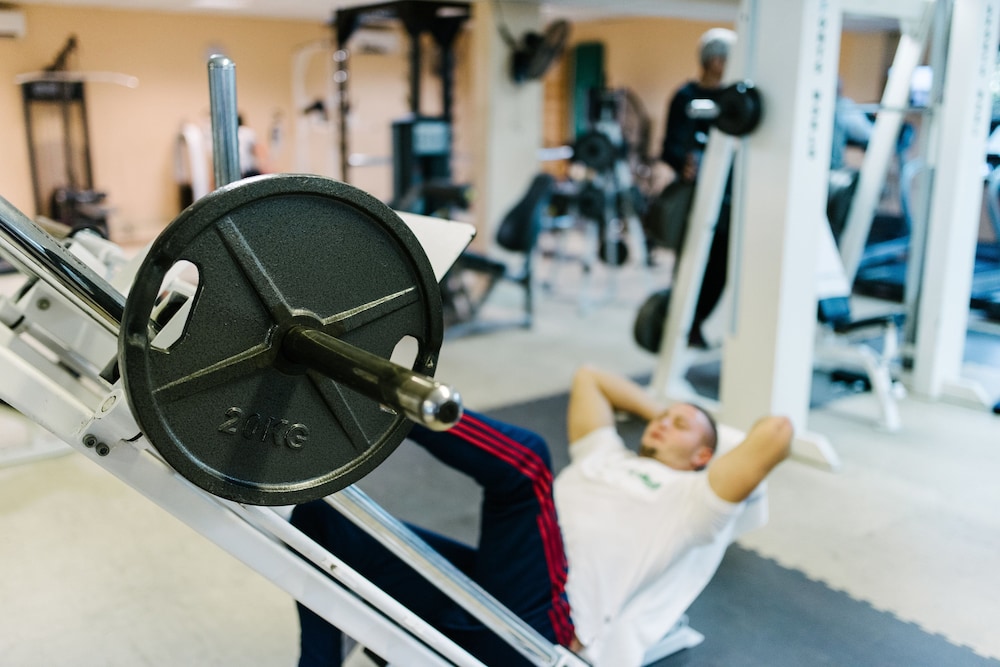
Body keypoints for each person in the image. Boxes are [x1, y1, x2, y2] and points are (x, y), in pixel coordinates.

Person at [291, 365, 792, 666]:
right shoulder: (606, 456)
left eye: (679, 426)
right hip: (496, 593)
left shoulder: (695, 500)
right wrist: (665, 412)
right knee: (322, 519)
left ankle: (374, 394)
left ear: (705, 456)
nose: (662, 423)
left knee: (527, 463)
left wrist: (704, 436)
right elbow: (590, 378)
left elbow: (777, 433)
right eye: (662, 417)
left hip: (546, 630)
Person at [660, 28, 737, 349]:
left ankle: (699, 321)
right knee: (690, 261)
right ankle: (679, 323)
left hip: (727, 200)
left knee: (721, 265)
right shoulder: (686, 97)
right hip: (696, 198)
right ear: (716, 61)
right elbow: (669, 148)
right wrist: (684, 163)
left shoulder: (733, 99)